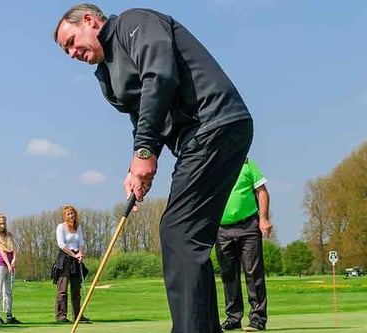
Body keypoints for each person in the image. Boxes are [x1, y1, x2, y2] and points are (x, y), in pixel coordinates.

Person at [54, 4, 254, 332]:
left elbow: (159, 77)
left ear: (90, 20)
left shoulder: (135, 23)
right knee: (187, 235)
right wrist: (141, 166)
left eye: (73, 42)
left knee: (178, 231)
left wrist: (145, 150)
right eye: (67, 51)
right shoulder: (108, 76)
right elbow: (146, 117)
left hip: (215, 123)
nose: (73, 53)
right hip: (195, 141)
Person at [217, 158, 271, 331]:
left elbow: (261, 191)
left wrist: (263, 218)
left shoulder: (247, 164)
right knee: (228, 275)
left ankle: (257, 318)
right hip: (221, 229)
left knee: (253, 272)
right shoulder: (213, 165)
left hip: (248, 226)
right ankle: (233, 317)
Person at [51, 205, 90, 324]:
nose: (71, 216)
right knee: (62, 290)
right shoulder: (61, 227)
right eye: (68, 214)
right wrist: (74, 255)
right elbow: (61, 245)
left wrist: (80, 253)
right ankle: (61, 315)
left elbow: (81, 242)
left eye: (72, 213)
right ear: (65, 216)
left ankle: (78, 316)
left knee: (76, 289)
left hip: (76, 259)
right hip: (65, 259)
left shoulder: (78, 227)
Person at [0, 213, 22, 325]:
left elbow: (14, 248)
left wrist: (14, 261)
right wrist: (8, 264)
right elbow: (2, 252)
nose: (3, 225)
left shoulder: (9, 235)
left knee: (8, 291)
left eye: (4, 223)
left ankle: (8, 314)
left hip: (10, 265)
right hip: (0, 265)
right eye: (0, 223)